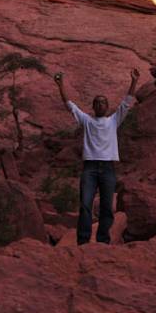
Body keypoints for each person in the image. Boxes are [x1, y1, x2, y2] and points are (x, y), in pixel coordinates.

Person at [53, 68, 140, 245]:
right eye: (97, 103)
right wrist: (60, 84)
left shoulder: (114, 120)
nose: (100, 105)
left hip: (108, 168)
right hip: (90, 168)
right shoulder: (86, 120)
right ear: (93, 107)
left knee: (107, 207)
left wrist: (134, 81)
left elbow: (127, 101)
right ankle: (83, 242)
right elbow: (69, 104)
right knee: (85, 205)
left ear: (107, 107)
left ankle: (102, 242)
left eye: (103, 103)